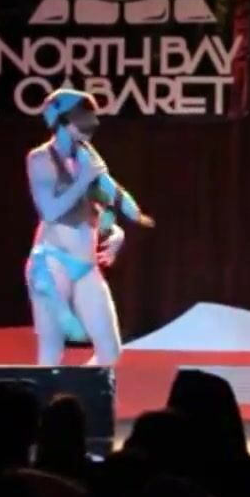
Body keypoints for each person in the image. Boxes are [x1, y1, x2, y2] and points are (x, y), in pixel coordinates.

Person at [24, 89, 154, 366]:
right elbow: (50, 211)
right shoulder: (40, 159)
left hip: (85, 266)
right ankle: (50, 394)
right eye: (81, 120)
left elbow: (108, 195)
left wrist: (121, 227)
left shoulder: (86, 157)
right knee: (51, 351)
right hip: (52, 263)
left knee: (110, 352)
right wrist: (84, 179)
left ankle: (78, 390)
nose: (89, 127)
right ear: (62, 122)